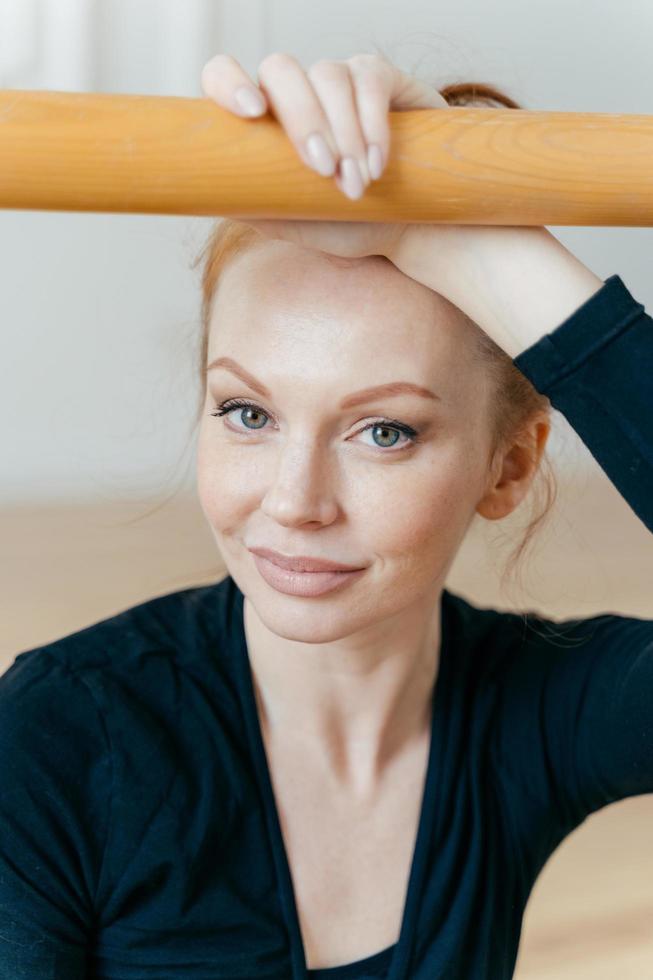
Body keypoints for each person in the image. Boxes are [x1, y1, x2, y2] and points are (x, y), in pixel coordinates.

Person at [0, 50, 651, 980]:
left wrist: (480, 251)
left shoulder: (530, 714)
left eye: (382, 430)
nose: (293, 503)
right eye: (248, 413)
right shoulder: (58, 736)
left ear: (506, 468)